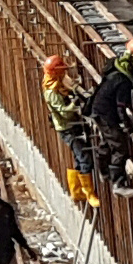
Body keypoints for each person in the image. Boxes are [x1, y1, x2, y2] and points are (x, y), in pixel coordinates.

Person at [84, 37, 133, 199]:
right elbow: (121, 107)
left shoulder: (116, 65)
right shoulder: (123, 80)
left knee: (109, 141)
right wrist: (130, 131)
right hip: (105, 113)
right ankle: (118, 184)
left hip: (98, 108)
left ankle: (104, 171)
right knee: (120, 146)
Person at [42, 54, 98, 207]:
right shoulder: (52, 92)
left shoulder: (59, 84)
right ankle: (89, 194)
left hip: (72, 125)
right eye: (61, 70)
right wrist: (75, 105)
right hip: (67, 128)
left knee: (79, 156)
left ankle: (77, 192)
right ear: (55, 72)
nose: (64, 73)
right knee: (84, 157)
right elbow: (64, 112)